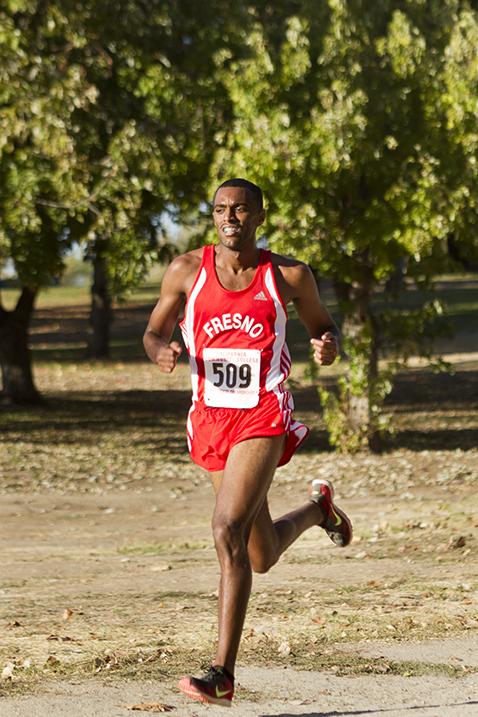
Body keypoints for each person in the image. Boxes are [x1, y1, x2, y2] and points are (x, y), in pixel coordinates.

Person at [143, 178, 352, 707]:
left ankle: (222, 673)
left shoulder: (288, 276)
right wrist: (160, 351)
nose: (229, 216)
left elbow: (323, 328)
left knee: (225, 528)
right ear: (212, 217)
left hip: (263, 411)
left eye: (240, 209)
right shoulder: (185, 270)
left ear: (260, 215)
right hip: (211, 418)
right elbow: (152, 332)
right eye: (219, 209)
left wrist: (327, 347)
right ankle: (318, 511)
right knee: (258, 555)